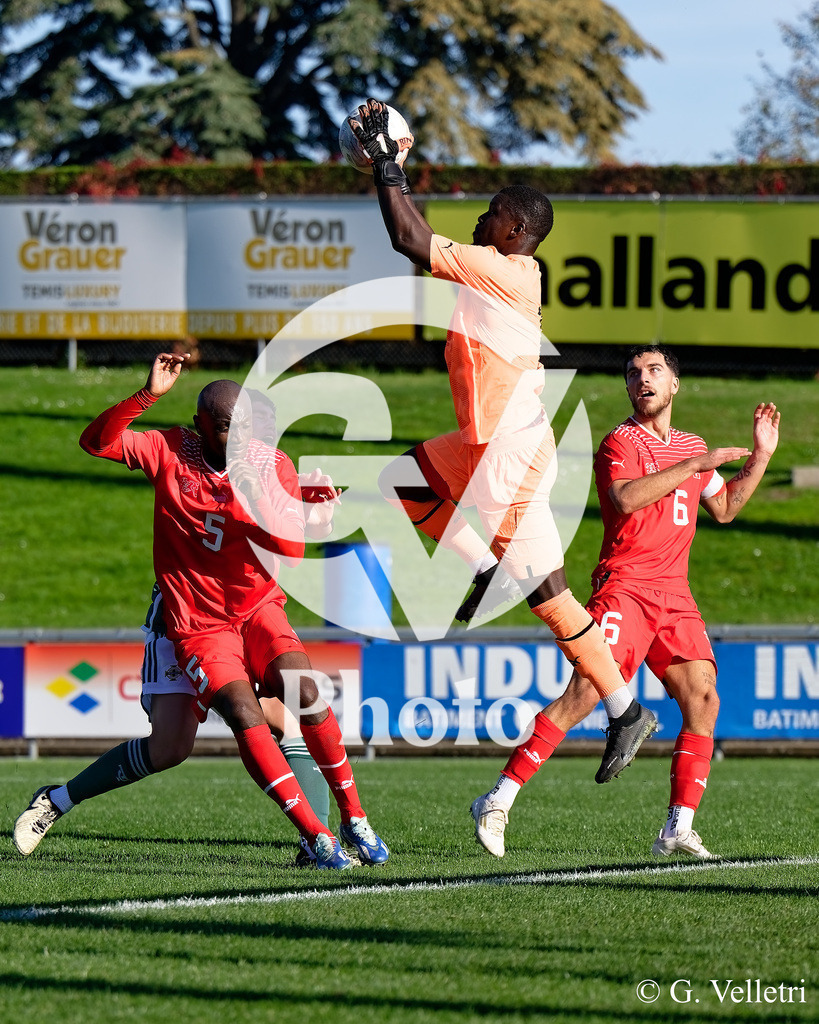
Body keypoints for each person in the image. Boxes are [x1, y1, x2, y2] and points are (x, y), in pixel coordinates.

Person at [350, 99, 656, 792]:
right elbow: (421, 233)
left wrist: (387, 165)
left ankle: (617, 702)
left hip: (510, 448)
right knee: (406, 488)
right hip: (481, 441)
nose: (479, 221)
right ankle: (616, 700)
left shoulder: (507, 270)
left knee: (535, 588)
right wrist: (392, 169)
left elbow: (408, 238)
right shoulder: (493, 266)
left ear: (515, 229)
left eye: (490, 213)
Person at [13, 354, 388, 870]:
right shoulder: (169, 449)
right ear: (201, 427)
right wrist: (146, 396)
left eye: (244, 428)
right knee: (174, 745)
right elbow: (94, 442)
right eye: (226, 428)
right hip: (192, 619)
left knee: (301, 698)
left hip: (255, 608)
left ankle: (340, 829)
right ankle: (56, 800)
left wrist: (293, 506)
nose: (239, 439)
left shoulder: (268, 463)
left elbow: (292, 550)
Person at [470, 344, 780, 859]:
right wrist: (696, 464)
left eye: (654, 370)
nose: (643, 379)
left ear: (674, 384)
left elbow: (724, 508)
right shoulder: (621, 440)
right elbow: (625, 498)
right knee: (587, 692)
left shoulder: (689, 444)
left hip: (675, 595)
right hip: (626, 588)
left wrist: (762, 455)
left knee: (704, 699)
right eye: (634, 373)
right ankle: (497, 799)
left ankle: (677, 828)